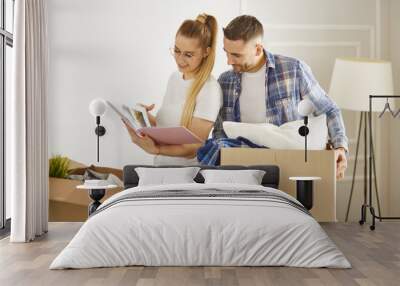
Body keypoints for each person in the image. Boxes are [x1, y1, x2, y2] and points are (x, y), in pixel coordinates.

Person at [212, 15, 348, 179]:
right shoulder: (225, 81)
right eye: (226, 53)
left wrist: (340, 148)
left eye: (236, 55)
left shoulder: (293, 70)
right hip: (242, 174)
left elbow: (329, 110)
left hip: (289, 169)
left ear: (257, 49)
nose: (228, 61)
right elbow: (220, 133)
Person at [122, 13, 222, 166]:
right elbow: (168, 128)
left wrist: (156, 149)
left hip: (187, 176)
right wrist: (144, 117)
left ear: (206, 52)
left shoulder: (210, 90)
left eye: (188, 54)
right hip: (161, 167)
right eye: (176, 50)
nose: (180, 59)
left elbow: (193, 148)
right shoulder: (175, 78)